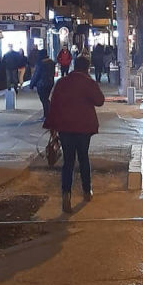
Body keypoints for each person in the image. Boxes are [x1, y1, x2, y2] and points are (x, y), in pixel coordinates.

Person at [44, 55, 105, 214]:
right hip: (83, 127)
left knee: (68, 161)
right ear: (87, 68)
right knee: (83, 158)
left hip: (65, 128)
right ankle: (87, 191)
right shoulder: (88, 82)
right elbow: (100, 100)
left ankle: (66, 193)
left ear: (73, 66)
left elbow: (53, 104)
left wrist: (52, 126)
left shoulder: (62, 82)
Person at [30, 51, 56, 121]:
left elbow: (36, 74)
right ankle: (49, 114)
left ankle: (46, 115)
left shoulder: (40, 63)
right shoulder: (52, 62)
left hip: (41, 84)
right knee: (46, 99)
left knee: (44, 100)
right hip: (50, 82)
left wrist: (31, 84)